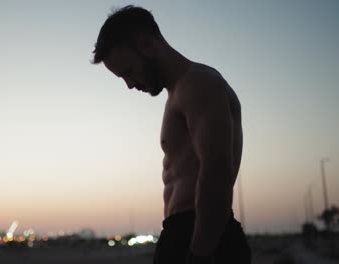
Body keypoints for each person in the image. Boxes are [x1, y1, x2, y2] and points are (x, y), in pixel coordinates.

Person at [92, 5, 251, 264]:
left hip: (203, 236)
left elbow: (216, 169)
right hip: (186, 233)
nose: (130, 85)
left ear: (147, 45)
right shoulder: (178, 93)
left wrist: (200, 253)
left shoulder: (199, 83)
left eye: (129, 72)